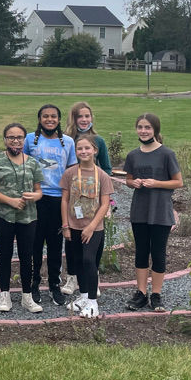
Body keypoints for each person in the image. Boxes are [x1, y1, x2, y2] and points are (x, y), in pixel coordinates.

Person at [123, 113, 183, 312]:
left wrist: (156, 183)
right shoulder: (133, 155)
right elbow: (128, 180)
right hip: (140, 210)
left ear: (155, 130)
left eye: (147, 127)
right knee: (141, 252)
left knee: (158, 253)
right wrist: (135, 183)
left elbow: (178, 182)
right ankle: (141, 293)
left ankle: (156, 294)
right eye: (140, 127)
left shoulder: (167, 154)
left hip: (160, 211)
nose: (143, 131)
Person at [0, 123, 44, 313]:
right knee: (5, 254)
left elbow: (39, 191)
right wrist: (10, 201)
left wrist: (35, 196)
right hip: (4, 215)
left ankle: (27, 296)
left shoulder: (33, 162)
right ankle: (5, 295)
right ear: (5, 140)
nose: (15, 141)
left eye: (19, 137)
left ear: (24, 139)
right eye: (11, 137)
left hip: (28, 216)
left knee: (27, 255)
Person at [23, 104, 76, 305]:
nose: (49, 119)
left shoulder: (68, 142)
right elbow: (24, 164)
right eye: (45, 116)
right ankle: (34, 283)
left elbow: (71, 171)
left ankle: (54, 284)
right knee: (35, 244)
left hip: (58, 198)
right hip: (36, 197)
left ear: (59, 119)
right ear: (39, 119)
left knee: (55, 245)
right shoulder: (30, 139)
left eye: (53, 116)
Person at [60, 134, 115, 319]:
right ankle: (83, 296)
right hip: (74, 226)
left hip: (93, 228)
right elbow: (65, 200)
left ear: (95, 150)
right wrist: (66, 225)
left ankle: (93, 302)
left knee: (89, 261)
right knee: (77, 261)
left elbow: (105, 204)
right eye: (79, 149)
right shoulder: (70, 173)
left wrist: (91, 226)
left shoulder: (102, 176)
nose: (83, 151)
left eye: (87, 148)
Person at [65, 101, 112, 297]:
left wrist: (107, 202)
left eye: (87, 116)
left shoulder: (98, 141)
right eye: (80, 116)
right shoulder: (67, 140)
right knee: (71, 242)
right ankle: (72, 276)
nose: (84, 120)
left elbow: (107, 168)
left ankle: (94, 277)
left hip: (94, 199)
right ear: (74, 119)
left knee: (94, 241)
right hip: (73, 198)